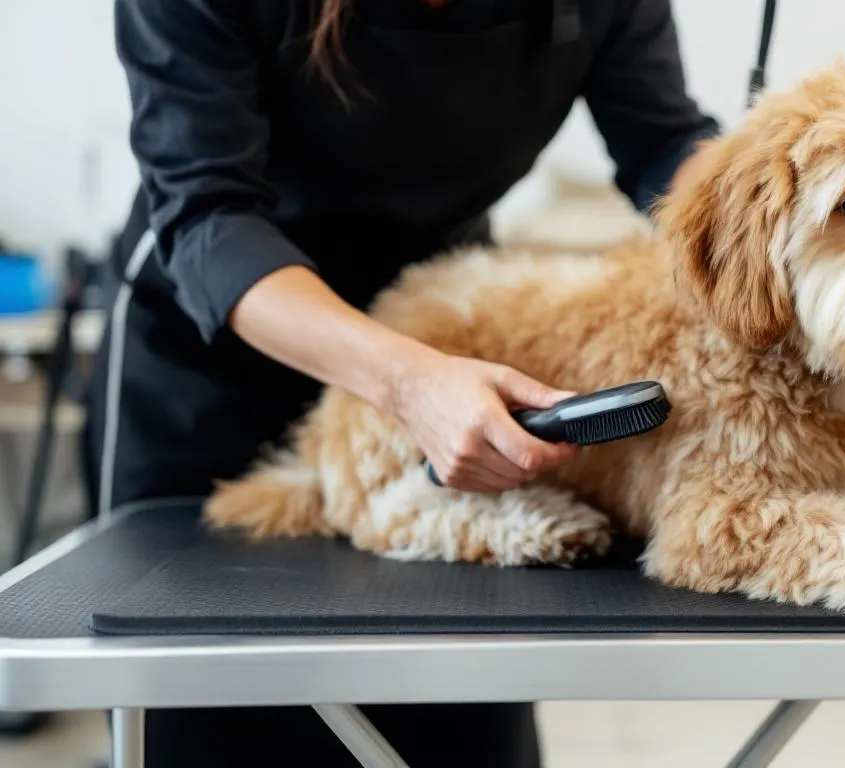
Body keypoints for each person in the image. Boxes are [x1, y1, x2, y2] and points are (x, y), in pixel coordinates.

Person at [86, 0, 720, 765]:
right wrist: (407, 383)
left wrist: (760, 210)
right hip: (217, 357)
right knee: (223, 726)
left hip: (448, 326)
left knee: (452, 726)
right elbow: (208, 213)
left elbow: (662, 138)